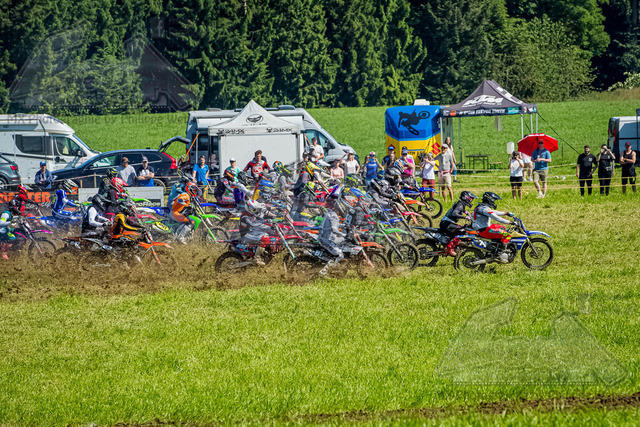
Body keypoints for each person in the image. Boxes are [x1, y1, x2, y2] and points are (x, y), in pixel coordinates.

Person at [472, 192, 515, 263]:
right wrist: (509, 222)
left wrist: (505, 213)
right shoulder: (484, 209)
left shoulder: (481, 207)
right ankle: (499, 254)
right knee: (507, 235)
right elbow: (495, 217)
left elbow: (493, 212)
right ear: (490, 199)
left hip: (482, 228)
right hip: (485, 230)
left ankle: (495, 246)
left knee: (502, 227)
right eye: (493, 200)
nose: (494, 202)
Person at [318, 187, 346, 276]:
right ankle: (323, 273)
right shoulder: (333, 216)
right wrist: (344, 235)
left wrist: (346, 226)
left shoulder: (331, 214)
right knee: (339, 254)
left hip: (325, 238)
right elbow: (334, 229)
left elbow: (335, 226)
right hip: (326, 240)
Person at [439, 191, 477, 256]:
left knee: (461, 229)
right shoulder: (460, 205)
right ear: (467, 198)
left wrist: (465, 212)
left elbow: (459, 210)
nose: (471, 201)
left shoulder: (461, 203)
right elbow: (454, 213)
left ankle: (449, 245)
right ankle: (449, 248)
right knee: (461, 231)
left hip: (446, 223)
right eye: (471, 199)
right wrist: (464, 217)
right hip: (446, 224)